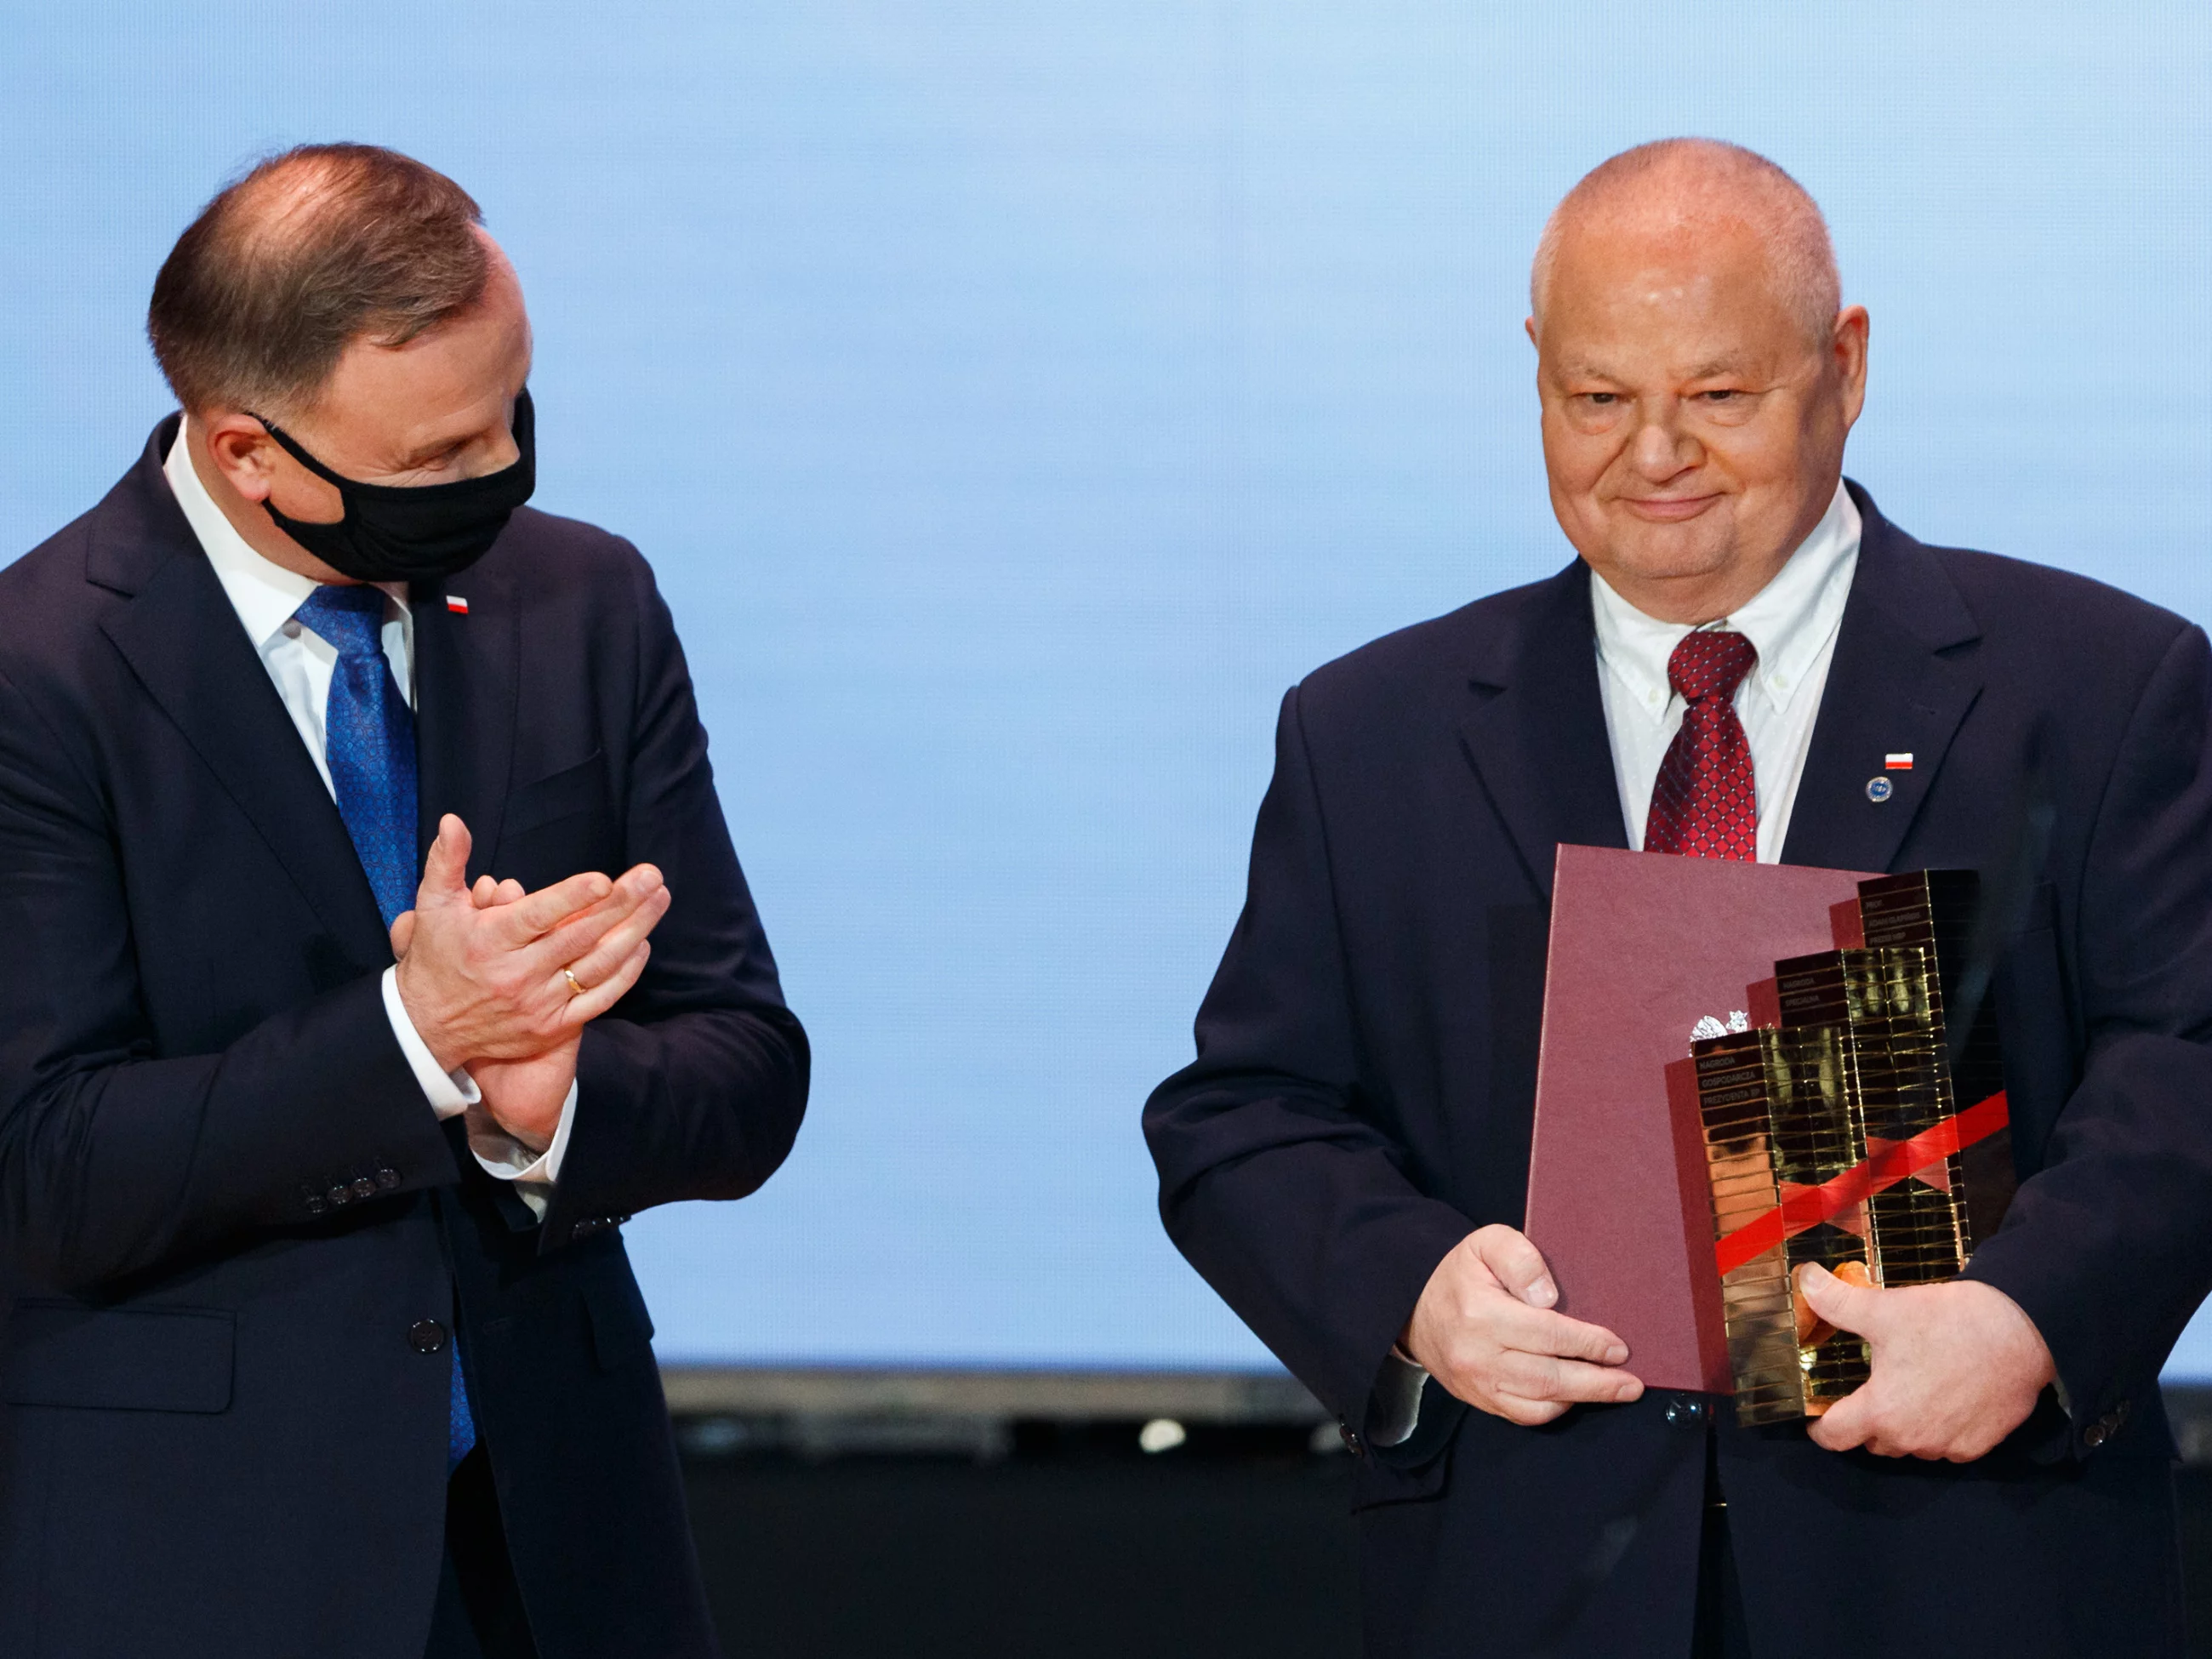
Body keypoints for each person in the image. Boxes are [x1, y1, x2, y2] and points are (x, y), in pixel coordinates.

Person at [1145, 138, 2212, 1657]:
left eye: (1718, 396)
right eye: (1597, 398)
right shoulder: (1369, 728)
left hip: (1963, 1562)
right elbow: (1243, 1115)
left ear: (1843, 365)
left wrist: (2028, 1319)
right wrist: (1416, 1291)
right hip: (1529, 1572)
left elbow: (2189, 1058)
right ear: (1535, 373)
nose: (1654, 453)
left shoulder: (2099, 687)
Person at [0, 144, 808, 1658]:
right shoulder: (36, 678)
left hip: (569, 1548)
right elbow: (48, 1167)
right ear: (248, 451)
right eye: (438, 459)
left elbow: (749, 1063)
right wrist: (413, 1040)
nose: (497, 474)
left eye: (514, 414)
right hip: (195, 1563)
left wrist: (546, 1104)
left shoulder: (584, 599)